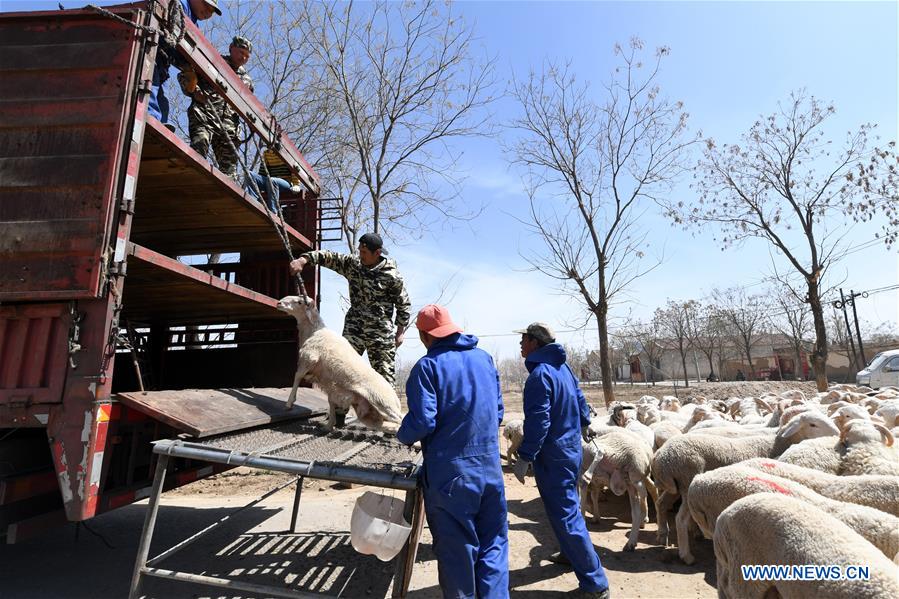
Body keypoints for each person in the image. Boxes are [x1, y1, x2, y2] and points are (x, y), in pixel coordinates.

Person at [396, 305, 509, 598]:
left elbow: (422, 420)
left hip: (451, 478)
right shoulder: (485, 359)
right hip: (491, 472)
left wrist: (402, 434)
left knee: (457, 554)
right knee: (494, 546)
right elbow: (497, 413)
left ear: (424, 335)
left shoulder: (427, 367)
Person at [512, 323, 610, 599]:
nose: (520, 344)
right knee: (570, 509)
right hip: (571, 450)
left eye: (523, 339)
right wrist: (584, 423)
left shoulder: (539, 376)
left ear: (534, 342)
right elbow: (579, 397)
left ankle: (595, 584)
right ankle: (569, 554)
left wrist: (524, 455)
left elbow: (539, 422)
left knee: (565, 516)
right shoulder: (561, 368)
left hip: (553, 456)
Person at [289, 233, 411, 422]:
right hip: (354, 327)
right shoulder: (353, 265)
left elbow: (404, 304)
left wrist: (400, 332)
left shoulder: (391, 275)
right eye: (359, 251)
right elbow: (328, 257)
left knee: (384, 377)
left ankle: (390, 421)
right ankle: (337, 418)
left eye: (364, 252)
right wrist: (304, 259)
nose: (360, 255)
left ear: (377, 253)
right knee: (340, 370)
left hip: (381, 332)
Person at [179, 35, 254, 180]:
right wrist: (194, 92)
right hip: (204, 115)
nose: (243, 58)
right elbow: (185, 75)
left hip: (228, 128)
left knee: (230, 172)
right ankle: (191, 182)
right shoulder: (212, 61)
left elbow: (250, 107)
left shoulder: (247, 80)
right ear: (231, 49)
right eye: (241, 53)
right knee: (199, 150)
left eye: (247, 56)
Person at [148, 0, 221, 125]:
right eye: (206, 6)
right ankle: (150, 120)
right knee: (151, 88)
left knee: (162, 102)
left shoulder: (194, 25)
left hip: (163, 64)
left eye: (212, 11)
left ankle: (158, 125)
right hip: (152, 54)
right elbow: (171, 39)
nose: (208, 12)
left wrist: (189, 69)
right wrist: (186, 65)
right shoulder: (179, 5)